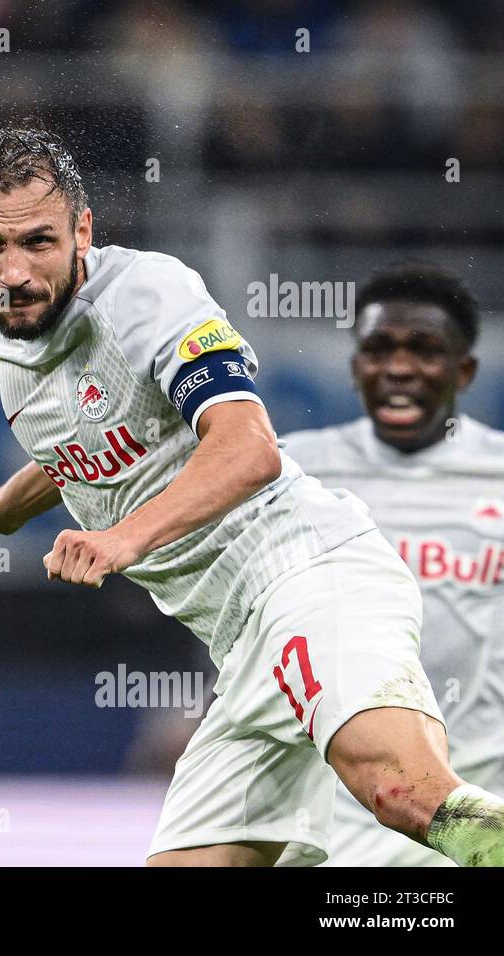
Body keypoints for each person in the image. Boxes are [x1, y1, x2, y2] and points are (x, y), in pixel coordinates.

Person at [0, 125, 504, 866]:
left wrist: (122, 539)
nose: (14, 271)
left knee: (406, 794)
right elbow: (89, 448)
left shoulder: (144, 296)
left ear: (83, 231)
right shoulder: (13, 351)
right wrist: (0, 508)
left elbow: (247, 446)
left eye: (39, 241)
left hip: (311, 581)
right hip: (243, 655)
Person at [284, 262, 504, 866]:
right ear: (357, 368)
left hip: (477, 812)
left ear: (464, 370)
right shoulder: (292, 473)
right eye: (378, 349)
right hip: (332, 818)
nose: (399, 368)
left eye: (425, 351)